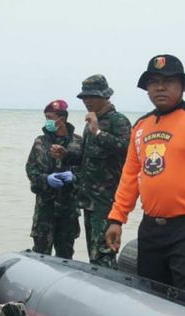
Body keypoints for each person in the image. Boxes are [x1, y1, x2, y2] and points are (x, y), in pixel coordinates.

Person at [105, 55, 185, 297]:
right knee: (150, 295)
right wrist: (117, 218)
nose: (160, 87)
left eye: (169, 81)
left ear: (183, 86)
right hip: (151, 227)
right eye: (153, 82)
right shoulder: (141, 126)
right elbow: (131, 176)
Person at [64, 74, 131, 268]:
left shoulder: (118, 121)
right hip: (89, 199)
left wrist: (98, 133)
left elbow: (128, 150)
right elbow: (86, 158)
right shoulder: (90, 123)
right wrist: (65, 155)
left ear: (105, 97)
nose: (87, 101)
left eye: (91, 97)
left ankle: (112, 292)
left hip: (107, 201)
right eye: (84, 97)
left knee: (104, 253)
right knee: (94, 253)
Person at [25, 99, 82, 258]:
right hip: (45, 209)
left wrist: (74, 178)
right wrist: (45, 179)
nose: (47, 121)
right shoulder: (40, 142)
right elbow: (30, 169)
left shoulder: (78, 142)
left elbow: (88, 173)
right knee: (40, 255)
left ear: (61, 120)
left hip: (68, 210)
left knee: (65, 256)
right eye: (46, 117)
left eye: (50, 117)